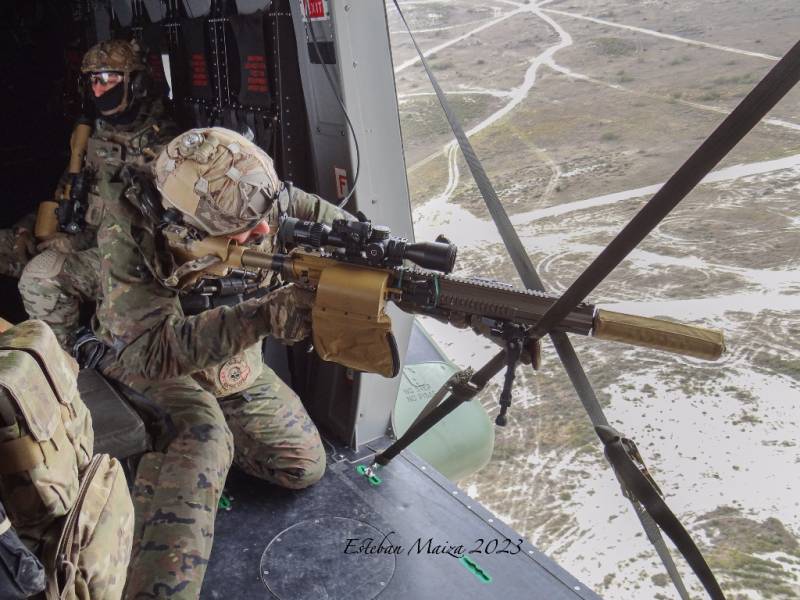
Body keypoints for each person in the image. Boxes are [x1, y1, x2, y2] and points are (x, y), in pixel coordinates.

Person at [94, 127, 351, 598]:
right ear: (188, 227)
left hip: (226, 362)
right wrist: (265, 315)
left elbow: (337, 229)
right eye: (243, 229)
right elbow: (147, 352)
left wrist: (390, 266)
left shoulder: (253, 194)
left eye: (264, 217)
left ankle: (190, 448)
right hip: (149, 362)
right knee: (205, 439)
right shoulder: (127, 230)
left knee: (302, 466)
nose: (264, 231)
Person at [18, 38, 176, 349]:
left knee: (40, 279)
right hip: (76, 234)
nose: (99, 89)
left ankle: (64, 365)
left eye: (108, 79)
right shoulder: (98, 133)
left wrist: (73, 243)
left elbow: (141, 230)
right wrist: (26, 229)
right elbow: (66, 190)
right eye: (93, 80)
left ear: (136, 83)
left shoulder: (161, 146)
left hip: (126, 257)